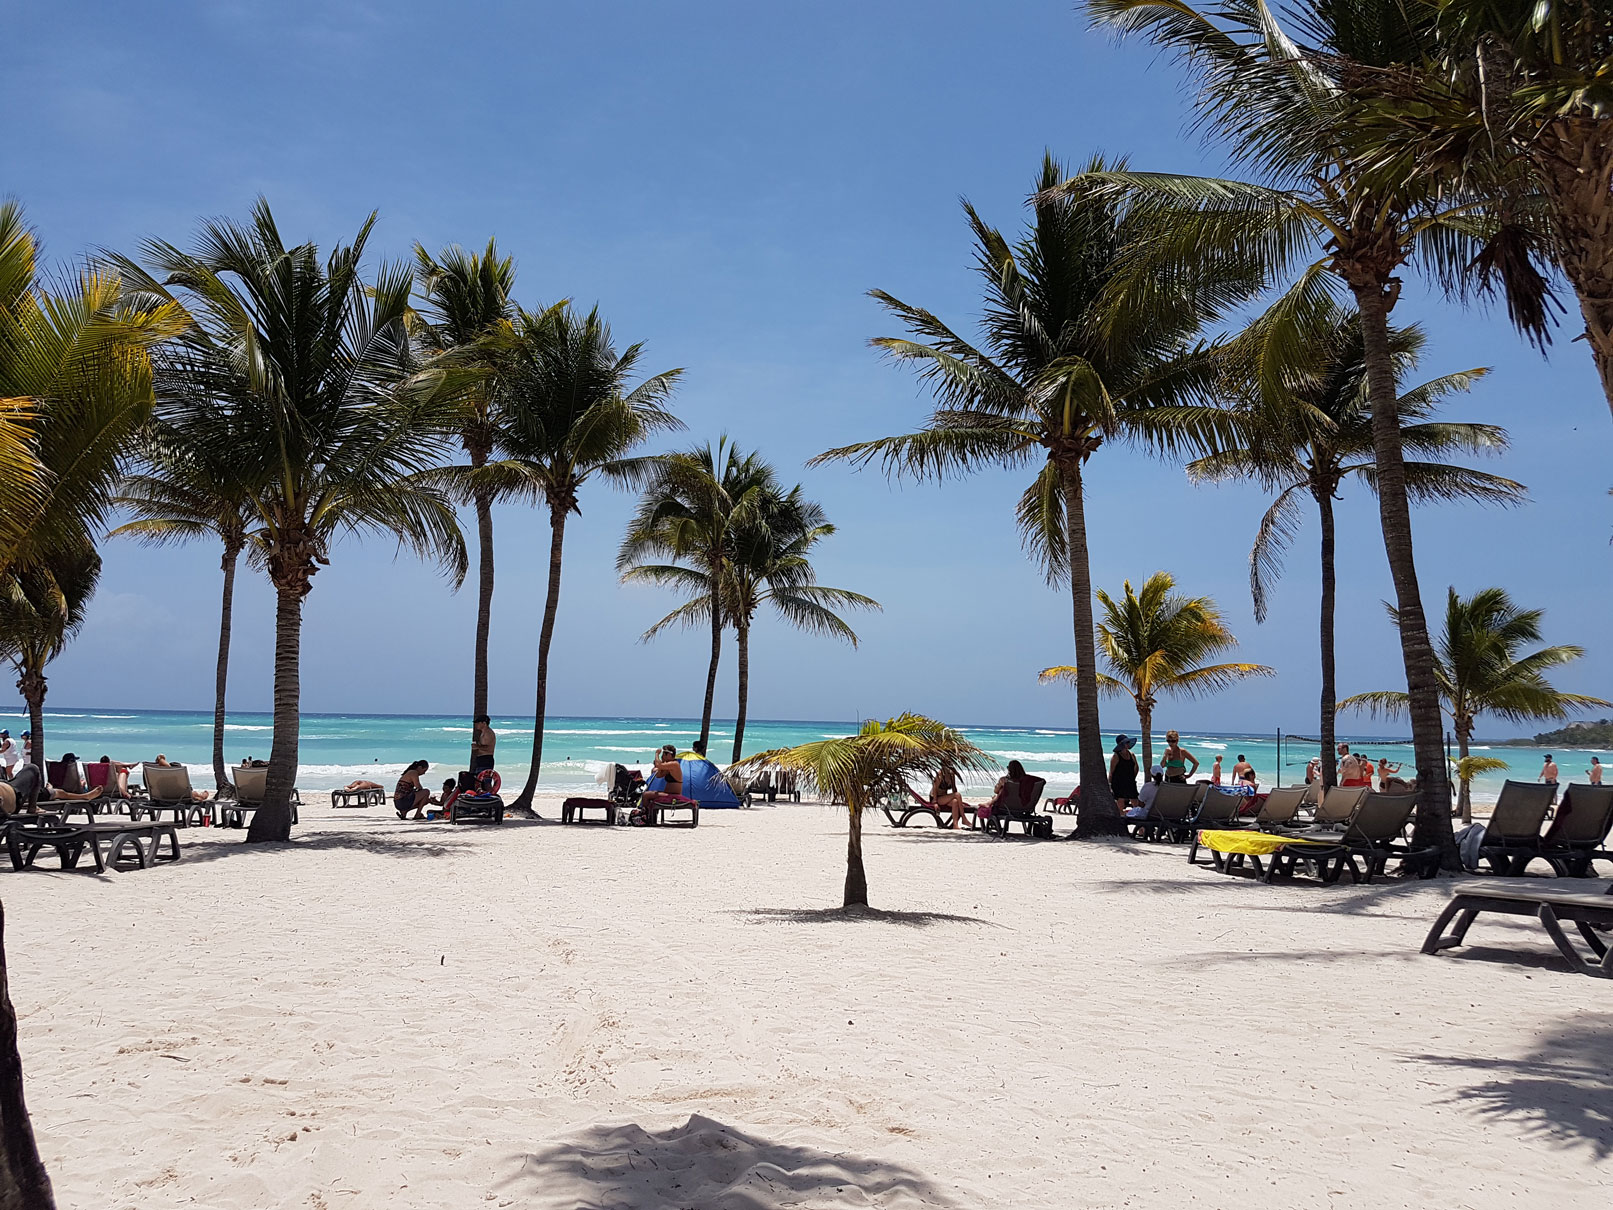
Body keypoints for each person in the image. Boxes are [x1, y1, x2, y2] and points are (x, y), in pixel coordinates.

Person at [638, 745, 686, 822]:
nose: (662, 756)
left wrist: (657, 754)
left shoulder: (674, 764)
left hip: (673, 795)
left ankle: (646, 816)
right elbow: (658, 775)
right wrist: (661, 764)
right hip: (668, 793)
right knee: (649, 795)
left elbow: (659, 765)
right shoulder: (669, 765)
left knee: (646, 795)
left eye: (664, 754)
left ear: (670, 755)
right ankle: (649, 816)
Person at [980, 759, 1026, 824]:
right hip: (1023, 807)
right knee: (1001, 791)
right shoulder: (1026, 782)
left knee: (1001, 790)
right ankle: (990, 802)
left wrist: (1001, 784)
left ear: (1009, 769)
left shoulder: (1005, 780)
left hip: (1006, 807)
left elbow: (995, 791)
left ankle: (990, 802)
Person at [929, 762, 969, 830]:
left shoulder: (951, 774)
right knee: (957, 795)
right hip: (935, 797)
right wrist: (935, 802)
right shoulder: (940, 774)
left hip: (944, 797)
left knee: (955, 801)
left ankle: (955, 825)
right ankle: (964, 818)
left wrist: (960, 802)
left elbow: (954, 788)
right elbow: (935, 788)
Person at [1108, 736, 1140, 811]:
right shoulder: (1116, 756)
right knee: (1120, 804)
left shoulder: (1132, 755)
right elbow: (1111, 772)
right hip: (1118, 783)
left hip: (1130, 782)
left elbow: (1136, 768)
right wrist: (1109, 784)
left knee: (1135, 802)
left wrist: (1132, 778)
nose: (1128, 744)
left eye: (1128, 742)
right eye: (1126, 742)